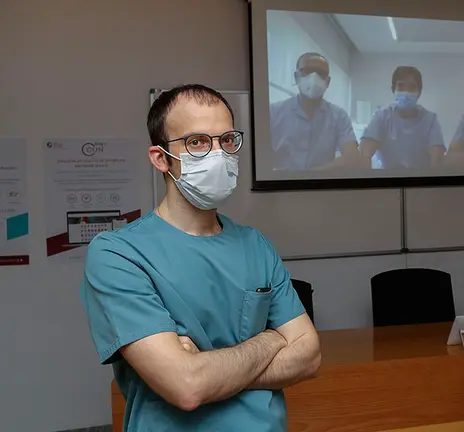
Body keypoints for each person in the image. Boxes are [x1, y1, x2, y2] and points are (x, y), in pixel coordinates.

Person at [80, 84, 321, 431]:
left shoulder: (255, 245)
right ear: (160, 158)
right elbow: (187, 387)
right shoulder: (118, 254)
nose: (218, 154)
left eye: (226, 140)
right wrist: (271, 340)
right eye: (196, 142)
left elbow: (309, 356)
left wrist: (209, 371)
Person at [270, 52, 359, 170]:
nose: (314, 77)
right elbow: (259, 157)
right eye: (307, 71)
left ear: (328, 82)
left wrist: (310, 177)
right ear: (296, 77)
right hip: (280, 186)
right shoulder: (273, 113)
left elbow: (352, 158)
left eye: (321, 73)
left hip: (320, 186)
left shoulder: (339, 116)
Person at [360, 66, 445, 169]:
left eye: (412, 87)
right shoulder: (382, 116)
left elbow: (437, 160)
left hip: (420, 181)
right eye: (400, 86)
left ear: (419, 92)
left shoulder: (430, 120)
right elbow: (364, 154)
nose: (406, 92)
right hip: (387, 181)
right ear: (393, 89)